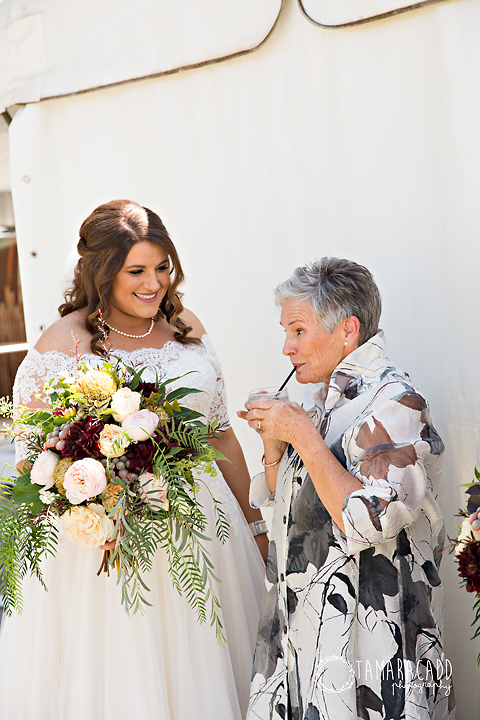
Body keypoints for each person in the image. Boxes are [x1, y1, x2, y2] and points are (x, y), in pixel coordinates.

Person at [0, 199, 267, 720]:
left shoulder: (186, 326)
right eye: (136, 271)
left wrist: (256, 526)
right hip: (110, 545)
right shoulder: (63, 344)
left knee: (210, 667)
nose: (154, 284)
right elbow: (33, 465)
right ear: (102, 272)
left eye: (162, 267)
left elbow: (220, 437)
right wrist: (88, 503)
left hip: (204, 534)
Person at [239, 258, 455, 720]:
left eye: (298, 331)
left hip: (368, 641)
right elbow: (292, 519)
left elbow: (367, 524)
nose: (286, 347)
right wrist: (274, 448)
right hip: (309, 629)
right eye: (286, 332)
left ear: (348, 330)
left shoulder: (396, 403)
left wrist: (303, 437)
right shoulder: (322, 402)